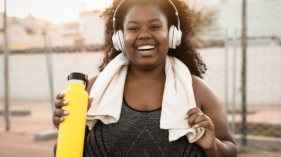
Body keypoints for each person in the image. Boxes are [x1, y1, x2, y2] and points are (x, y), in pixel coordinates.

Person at [53, 0, 238, 156]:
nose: (144, 35)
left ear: (173, 34)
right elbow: (61, 152)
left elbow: (231, 150)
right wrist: (66, 130)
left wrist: (213, 146)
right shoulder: (92, 89)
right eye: (133, 28)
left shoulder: (198, 91)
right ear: (120, 38)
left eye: (155, 26)